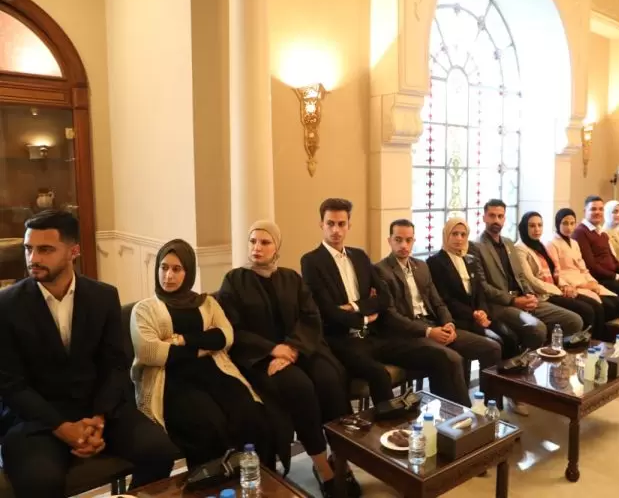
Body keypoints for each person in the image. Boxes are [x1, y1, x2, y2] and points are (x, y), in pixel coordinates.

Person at [0, 210, 176, 498]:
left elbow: (115, 365)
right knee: (41, 482)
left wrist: (99, 418)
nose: (33, 258)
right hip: (35, 420)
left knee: (160, 452)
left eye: (45, 249)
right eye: (28, 249)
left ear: (74, 251)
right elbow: (10, 385)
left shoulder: (103, 296)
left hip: (97, 410)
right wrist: (63, 428)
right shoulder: (6, 305)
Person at [218, 221, 358, 498]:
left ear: (277, 247)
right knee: (300, 387)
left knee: (329, 379)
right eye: (253, 241)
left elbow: (310, 316)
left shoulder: (290, 277)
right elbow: (233, 329)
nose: (257, 248)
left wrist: (292, 349)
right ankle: (323, 468)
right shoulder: (234, 280)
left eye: (265, 242)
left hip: (299, 349)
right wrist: (272, 350)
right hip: (260, 358)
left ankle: (340, 458)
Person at [131, 239, 286, 473]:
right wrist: (204, 344)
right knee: (209, 426)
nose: (168, 276)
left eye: (177, 269)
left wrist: (180, 340)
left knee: (253, 415)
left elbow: (225, 337)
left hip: (215, 372)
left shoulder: (206, 303)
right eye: (164, 268)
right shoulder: (144, 309)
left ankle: (259, 482)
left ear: (189, 272)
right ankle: (213, 484)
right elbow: (151, 352)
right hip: (171, 380)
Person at [300, 198, 472, 407]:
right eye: (330, 223)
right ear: (321, 224)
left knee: (441, 357)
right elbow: (327, 310)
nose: (336, 230)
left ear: (348, 225)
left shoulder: (359, 256)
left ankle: (459, 416)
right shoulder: (311, 261)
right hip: (342, 340)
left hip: (376, 336)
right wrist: (364, 317)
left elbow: (383, 298)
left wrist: (355, 307)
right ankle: (389, 423)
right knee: (379, 374)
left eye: (341, 224)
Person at [376, 219, 502, 382]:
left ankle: (488, 398)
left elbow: (438, 302)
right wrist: (429, 332)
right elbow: (390, 315)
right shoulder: (381, 270)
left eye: (408, 240)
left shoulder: (421, 266)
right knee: (452, 359)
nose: (404, 245)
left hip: (435, 324)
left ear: (414, 241)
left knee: (492, 348)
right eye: (398, 240)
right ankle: (454, 401)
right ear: (389, 240)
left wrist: (448, 324)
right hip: (410, 333)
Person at [471, 199, 583, 350]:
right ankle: (526, 362)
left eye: (500, 216)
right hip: (500, 304)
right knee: (538, 328)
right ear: (484, 217)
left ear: (504, 218)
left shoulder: (508, 243)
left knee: (574, 320)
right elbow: (483, 286)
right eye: (492, 215)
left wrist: (530, 295)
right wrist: (513, 300)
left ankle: (551, 356)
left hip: (523, 298)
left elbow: (520, 275)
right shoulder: (476, 246)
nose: (496, 220)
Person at [427, 218, 521, 358]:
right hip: (457, 318)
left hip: (478, 316)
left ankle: (511, 371)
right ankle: (495, 372)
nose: (459, 238)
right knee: (497, 342)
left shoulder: (470, 259)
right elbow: (445, 298)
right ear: (446, 235)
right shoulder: (435, 262)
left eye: (463, 234)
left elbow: (480, 291)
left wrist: (482, 312)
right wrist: (473, 314)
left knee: (511, 337)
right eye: (454, 234)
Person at [514, 212, 599, 333]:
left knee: (593, 305)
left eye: (540, 225)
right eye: (532, 226)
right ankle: (577, 342)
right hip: (543, 295)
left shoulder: (539, 245)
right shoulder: (520, 249)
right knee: (586, 310)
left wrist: (565, 285)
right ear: (524, 227)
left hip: (555, 289)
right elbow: (530, 280)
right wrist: (557, 290)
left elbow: (554, 270)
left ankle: (590, 341)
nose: (537, 229)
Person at [545, 208, 619, 336]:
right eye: (565, 223)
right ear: (557, 223)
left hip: (584, 280)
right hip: (571, 285)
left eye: (572, 223)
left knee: (617, 302)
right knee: (598, 307)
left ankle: (612, 338)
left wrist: (592, 282)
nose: (569, 227)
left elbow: (583, 268)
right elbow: (556, 271)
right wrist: (580, 285)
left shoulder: (574, 243)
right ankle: (597, 339)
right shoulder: (551, 244)